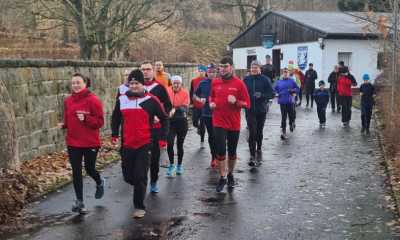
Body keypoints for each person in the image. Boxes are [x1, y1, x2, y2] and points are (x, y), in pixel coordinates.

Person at [117, 70, 168, 218]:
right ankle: (139, 186)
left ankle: (139, 206)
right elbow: (115, 117)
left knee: (140, 175)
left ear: (142, 84)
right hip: (127, 144)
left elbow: (164, 119)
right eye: (131, 83)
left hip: (145, 144)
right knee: (128, 177)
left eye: (136, 83)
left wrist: (163, 138)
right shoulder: (122, 99)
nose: (133, 86)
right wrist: (114, 133)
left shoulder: (151, 100)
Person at [60, 73, 105, 214]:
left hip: (90, 142)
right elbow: (68, 119)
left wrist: (86, 119)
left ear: (85, 83)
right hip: (73, 142)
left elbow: (100, 122)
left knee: (90, 169)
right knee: (76, 171)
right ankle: (80, 202)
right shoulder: (68, 101)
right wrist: (64, 125)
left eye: (78, 82)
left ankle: (99, 181)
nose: (75, 85)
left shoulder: (93, 100)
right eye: (73, 83)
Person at [210, 56, 250, 192]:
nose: (222, 69)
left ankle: (231, 174)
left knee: (232, 152)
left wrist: (236, 102)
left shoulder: (239, 84)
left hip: (233, 123)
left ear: (231, 67)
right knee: (221, 150)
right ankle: (222, 177)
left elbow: (247, 103)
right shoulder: (215, 82)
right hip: (218, 121)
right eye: (220, 66)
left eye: (225, 66)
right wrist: (211, 103)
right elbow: (212, 96)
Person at [141, 61, 172, 193]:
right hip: (140, 129)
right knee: (141, 160)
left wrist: (159, 115)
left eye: (148, 69)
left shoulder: (159, 87)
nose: (145, 72)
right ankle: (141, 184)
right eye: (142, 69)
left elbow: (168, 105)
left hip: (155, 128)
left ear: (153, 70)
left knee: (154, 159)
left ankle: (153, 181)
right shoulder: (136, 87)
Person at [243, 60, 274, 166]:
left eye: (256, 67)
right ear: (250, 69)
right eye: (252, 67)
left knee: (259, 132)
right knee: (252, 132)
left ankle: (259, 147)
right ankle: (252, 155)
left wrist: (261, 95)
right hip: (250, 110)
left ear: (260, 69)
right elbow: (241, 93)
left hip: (261, 110)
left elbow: (272, 94)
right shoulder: (246, 79)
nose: (254, 69)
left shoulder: (265, 80)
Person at [194, 63, 218, 168]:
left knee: (219, 136)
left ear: (216, 72)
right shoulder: (203, 83)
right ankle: (214, 157)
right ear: (207, 72)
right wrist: (200, 100)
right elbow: (194, 94)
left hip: (219, 114)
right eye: (209, 72)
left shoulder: (219, 82)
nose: (211, 74)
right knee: (211, 136)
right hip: (207, 114)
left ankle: (220, 154)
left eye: (213, 72)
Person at [166, 75, 190, 176]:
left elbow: (185, 107)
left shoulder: (185, 92)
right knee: (170, 143)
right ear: (171, 83)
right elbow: (163, 103)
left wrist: (175, 109)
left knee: (179, 145)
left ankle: (179, 165)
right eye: (174, 83)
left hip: (181, 122)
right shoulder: (167, 90)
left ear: (181, 84)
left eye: (178, 83)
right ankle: (171, 165)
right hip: (170, 123)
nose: (176, 85)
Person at [274, 68, 300, 140]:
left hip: (290, 101)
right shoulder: (279, 82)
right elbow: (274, 89)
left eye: (286, 72)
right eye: (284, 72)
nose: (285, 74)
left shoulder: (292, 81)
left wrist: (293, 91)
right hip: (282, 102)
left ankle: (291, 123)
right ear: (283, 74)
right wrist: (276, 93)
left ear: (288, 74)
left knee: (291, 115)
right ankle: (284, 132)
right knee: (283, 117)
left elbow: (297, 89)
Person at [190, 65, 207, 147]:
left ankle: (202, 141)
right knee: (194, 122)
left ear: (205, 72)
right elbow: (191, 92)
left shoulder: (207, 81)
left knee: (203, 124)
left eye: (202, 71)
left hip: (204, 106)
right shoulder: (193, 81)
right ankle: (198, 127)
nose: (201, 72)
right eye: (199, 71)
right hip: (196, 105)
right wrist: (191, 102)